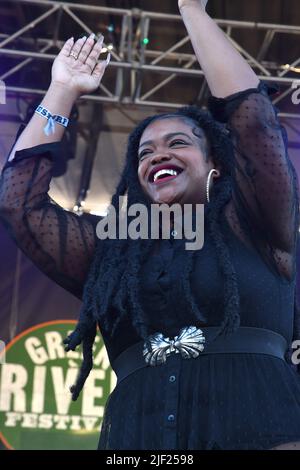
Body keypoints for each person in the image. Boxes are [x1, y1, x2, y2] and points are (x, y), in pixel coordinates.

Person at [0, 0, 300, 450]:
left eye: (178, 142)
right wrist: (61, 89)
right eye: (144, 152)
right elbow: (19, 203)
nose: (158, 153)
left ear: (216, 162)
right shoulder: (113, 250)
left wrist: (192, 10)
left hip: (259, 429)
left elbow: (255, 122)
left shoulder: (254, 222)